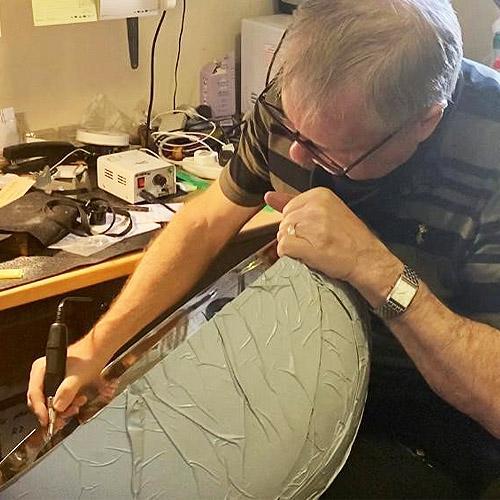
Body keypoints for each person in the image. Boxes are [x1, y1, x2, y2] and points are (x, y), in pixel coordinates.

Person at [28, 0, 500, 496]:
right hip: (298, 377)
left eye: (327, 151)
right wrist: (97, 346)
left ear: (425, 122)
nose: (297, 153)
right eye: (294, 130)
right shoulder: (304, 104)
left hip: (431, 426)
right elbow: (205, 223)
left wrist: (375, 268)